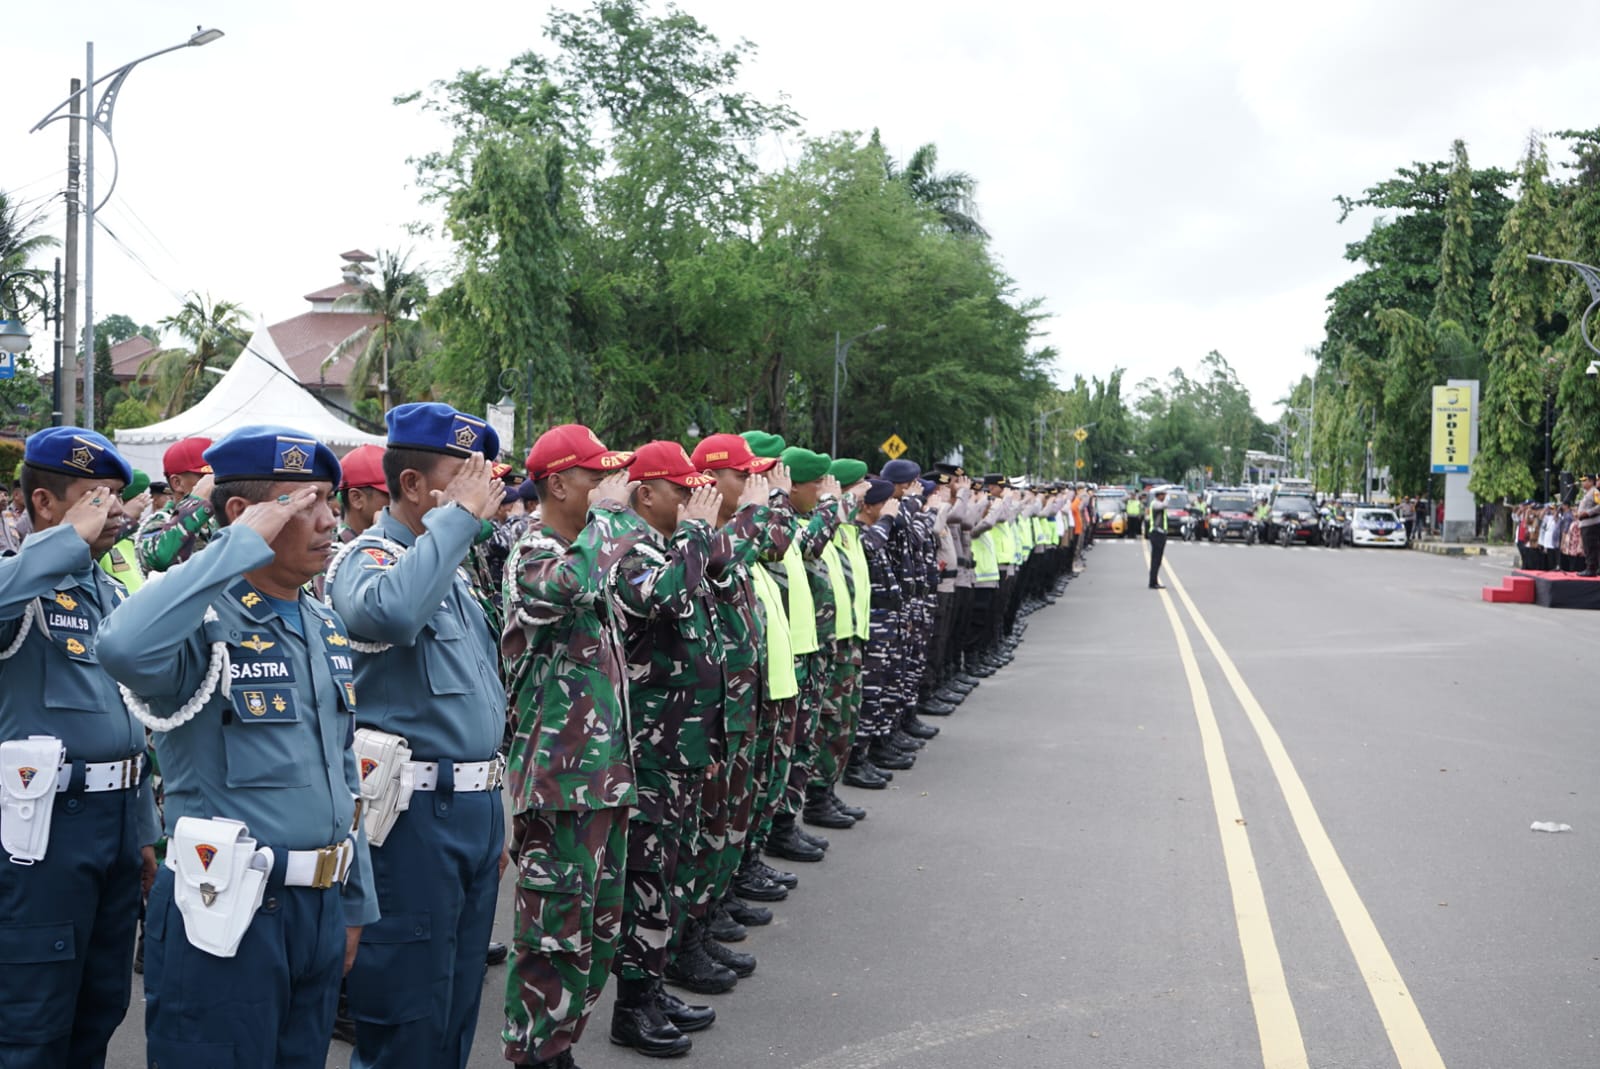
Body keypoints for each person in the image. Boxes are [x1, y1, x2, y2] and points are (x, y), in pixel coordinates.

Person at [98, 425, 378, 1069]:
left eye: (330, 500)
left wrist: (354, 897)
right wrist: (233, 548)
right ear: (242, 514)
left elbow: (343, 770)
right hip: (226, 908)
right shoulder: (199, 622)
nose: (329, 519)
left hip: (317, 907)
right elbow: (120, 647)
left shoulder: (322, 622)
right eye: (304, 503)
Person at [326, 404, 508, 1069]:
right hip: (413, 817)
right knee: (407, 1015)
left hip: (471, 809)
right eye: (465, 475)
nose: (483, 489)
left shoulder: (449, 570)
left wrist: (493, 807)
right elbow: (390, 613)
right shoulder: (368, 557)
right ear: (410, 485)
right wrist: (458, 522)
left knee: (455, 1007)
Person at [0, 427, 160, 1069]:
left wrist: (142, 827)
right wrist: (65, 542)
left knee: (99, 1007)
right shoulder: (20, 583)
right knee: (31, 1021)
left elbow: (128, 722)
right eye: (98, 496)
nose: (116, 509)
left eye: (118, 495)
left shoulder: (109, 592)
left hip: (114, 825)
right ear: (44, 502)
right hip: (44, 834)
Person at [500, 424, 637, 1069]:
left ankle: (560, 1047)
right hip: (558, 783)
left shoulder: (587, 547)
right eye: (596, 476)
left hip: (601, 779)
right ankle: (536, 1054)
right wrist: (610, 515)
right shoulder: (534, 552)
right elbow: (569, 586)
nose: (611, 487)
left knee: (596, 934)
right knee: (551, 936)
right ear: (558, 484)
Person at [134, 436, 217, 573]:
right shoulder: (160, 522)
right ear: (177, 483)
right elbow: (160, 558)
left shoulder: (217, 520)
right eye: (206, 477)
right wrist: (197, 503)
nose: (214, 483)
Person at [1575, 476, 1600, 577]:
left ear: (1591, 481)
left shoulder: (1595, 492)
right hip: (1585, 524)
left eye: (1584, 481)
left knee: (1590, 547)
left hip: (1591, 524)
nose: (1582, 483)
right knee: (1588, 547)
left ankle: (1591, 569)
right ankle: (1592, 568)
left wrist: (1587, 513)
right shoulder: (1587, 493)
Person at [1148, 487, 1169, 589]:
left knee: (1158, 559)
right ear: (1158, 495)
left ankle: (1154, 581)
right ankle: (1153, 582)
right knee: (1156, 559)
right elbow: (1165, 505)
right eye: (1163, 495)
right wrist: (1168, 498)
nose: (1164, 496)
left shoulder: (1158, 503)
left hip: (1160, 533)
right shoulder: (1155, 504)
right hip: (1156, 533)